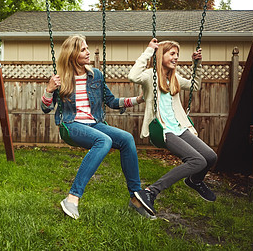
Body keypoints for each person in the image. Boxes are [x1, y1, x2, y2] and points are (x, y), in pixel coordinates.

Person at [41, 35, 154, 220]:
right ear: (72, 54)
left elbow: (110, 101)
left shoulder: (96, 75)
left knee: (127, 139)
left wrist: (137, 100)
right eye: (83, 49)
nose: (88, 52)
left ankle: (136, 197)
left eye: (87, 48)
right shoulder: (60, 79)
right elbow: (46, 108)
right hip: (70, 125)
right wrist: (49, 90)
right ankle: (72, 198)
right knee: (104, 141)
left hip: (95, 123)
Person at [128, 38, 217, 216]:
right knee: (197, 161)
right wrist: (148, 51)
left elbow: (195, 86)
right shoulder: (149, 76)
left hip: (179, 128)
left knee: (210, 157)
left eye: (177, 54)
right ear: (161, 55)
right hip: (162, 130)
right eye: (172, 53)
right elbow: (133, 76)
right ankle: (150, 192)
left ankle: (195, 181)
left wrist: (196, 63)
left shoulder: (174, 78)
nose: (176, 57)